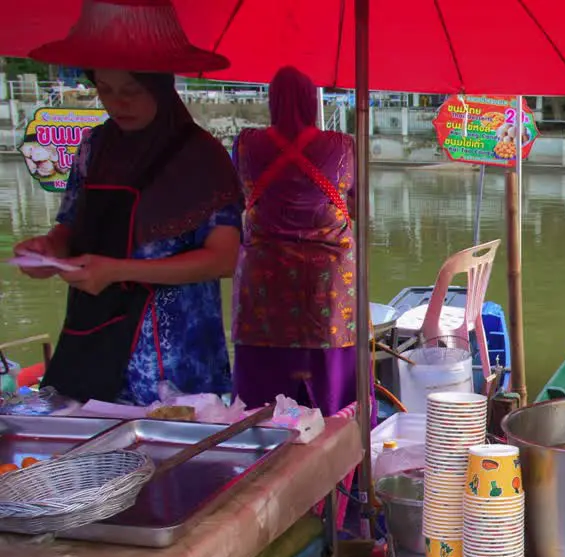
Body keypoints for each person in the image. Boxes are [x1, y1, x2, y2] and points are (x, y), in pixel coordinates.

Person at [13, 0, 242, 405]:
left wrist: (118, 269)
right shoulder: (94, 147)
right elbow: (70, 226)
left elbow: (224, 258)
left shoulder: (203, 158)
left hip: (175, 363)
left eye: (132, 91)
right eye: (105, 90)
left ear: (160, 85)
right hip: (94, 346)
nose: (118, 103)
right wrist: (49, 251)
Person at [231, 66, 358, 417]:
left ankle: (261, 460)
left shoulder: (247, 144)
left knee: (262, 393)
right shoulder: (342, 146)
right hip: (328, 289)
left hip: (264, 289)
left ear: (272, 102)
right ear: (310, 102)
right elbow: (359, 207)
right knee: (333, 394)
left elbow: (234, 199)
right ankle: (338, 461)